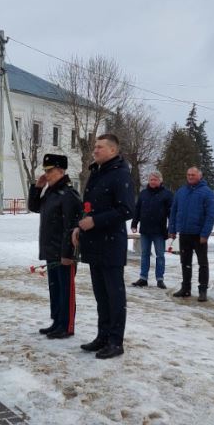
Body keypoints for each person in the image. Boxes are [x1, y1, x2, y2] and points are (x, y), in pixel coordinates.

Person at [71, 134, 135, 359]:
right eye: (95, 146)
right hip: (95, 243)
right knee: (101, 295)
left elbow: (127, 210)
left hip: (111, 244)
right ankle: (103, 336)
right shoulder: (97, 172)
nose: (95, 150)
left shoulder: (120, 174)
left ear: (112, 150)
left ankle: (116, 341)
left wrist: (96, 222)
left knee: (114, 296)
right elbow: (89, 206)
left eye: (99, 147)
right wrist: (80, 226)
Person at [28, 154, 81, 339]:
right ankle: (57, 321)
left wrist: (68, 253)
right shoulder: (51, 191)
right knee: (55, 288)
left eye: (50, 171)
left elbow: (71, 226)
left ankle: (67, 326)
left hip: (64, 251)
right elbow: (34, 207)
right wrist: (37, 187)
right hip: (52, 249)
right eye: (46, 170)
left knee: (66, 290)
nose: (47, 174)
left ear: (60, 171)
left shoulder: (68, 194)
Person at [169, 167, 214, 302]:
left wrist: (205, 234)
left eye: (193, 175)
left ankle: (203, 290)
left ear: (199, 176)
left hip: (199, 235)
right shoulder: (181, 191)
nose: (190, 177)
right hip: (184, 233)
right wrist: (172, 229)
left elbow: (211, 215)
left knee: (203, 264)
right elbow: (174, 211)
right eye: (188, 174)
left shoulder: (207, 193)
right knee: (185, 262)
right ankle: (186, 288)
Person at [131, 171, 174, 289]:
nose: (153, 181)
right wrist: (134, 223)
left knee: (160, 255)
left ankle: (160, 279)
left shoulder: (167, 194)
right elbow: (137, 209)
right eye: (151, 179)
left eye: (155, 179)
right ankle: (143, 278)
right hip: (145, 230)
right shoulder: (143, 193)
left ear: (160, 181)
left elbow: (172, 213)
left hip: (159, 231)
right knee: (145, 254)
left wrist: (171, 228)